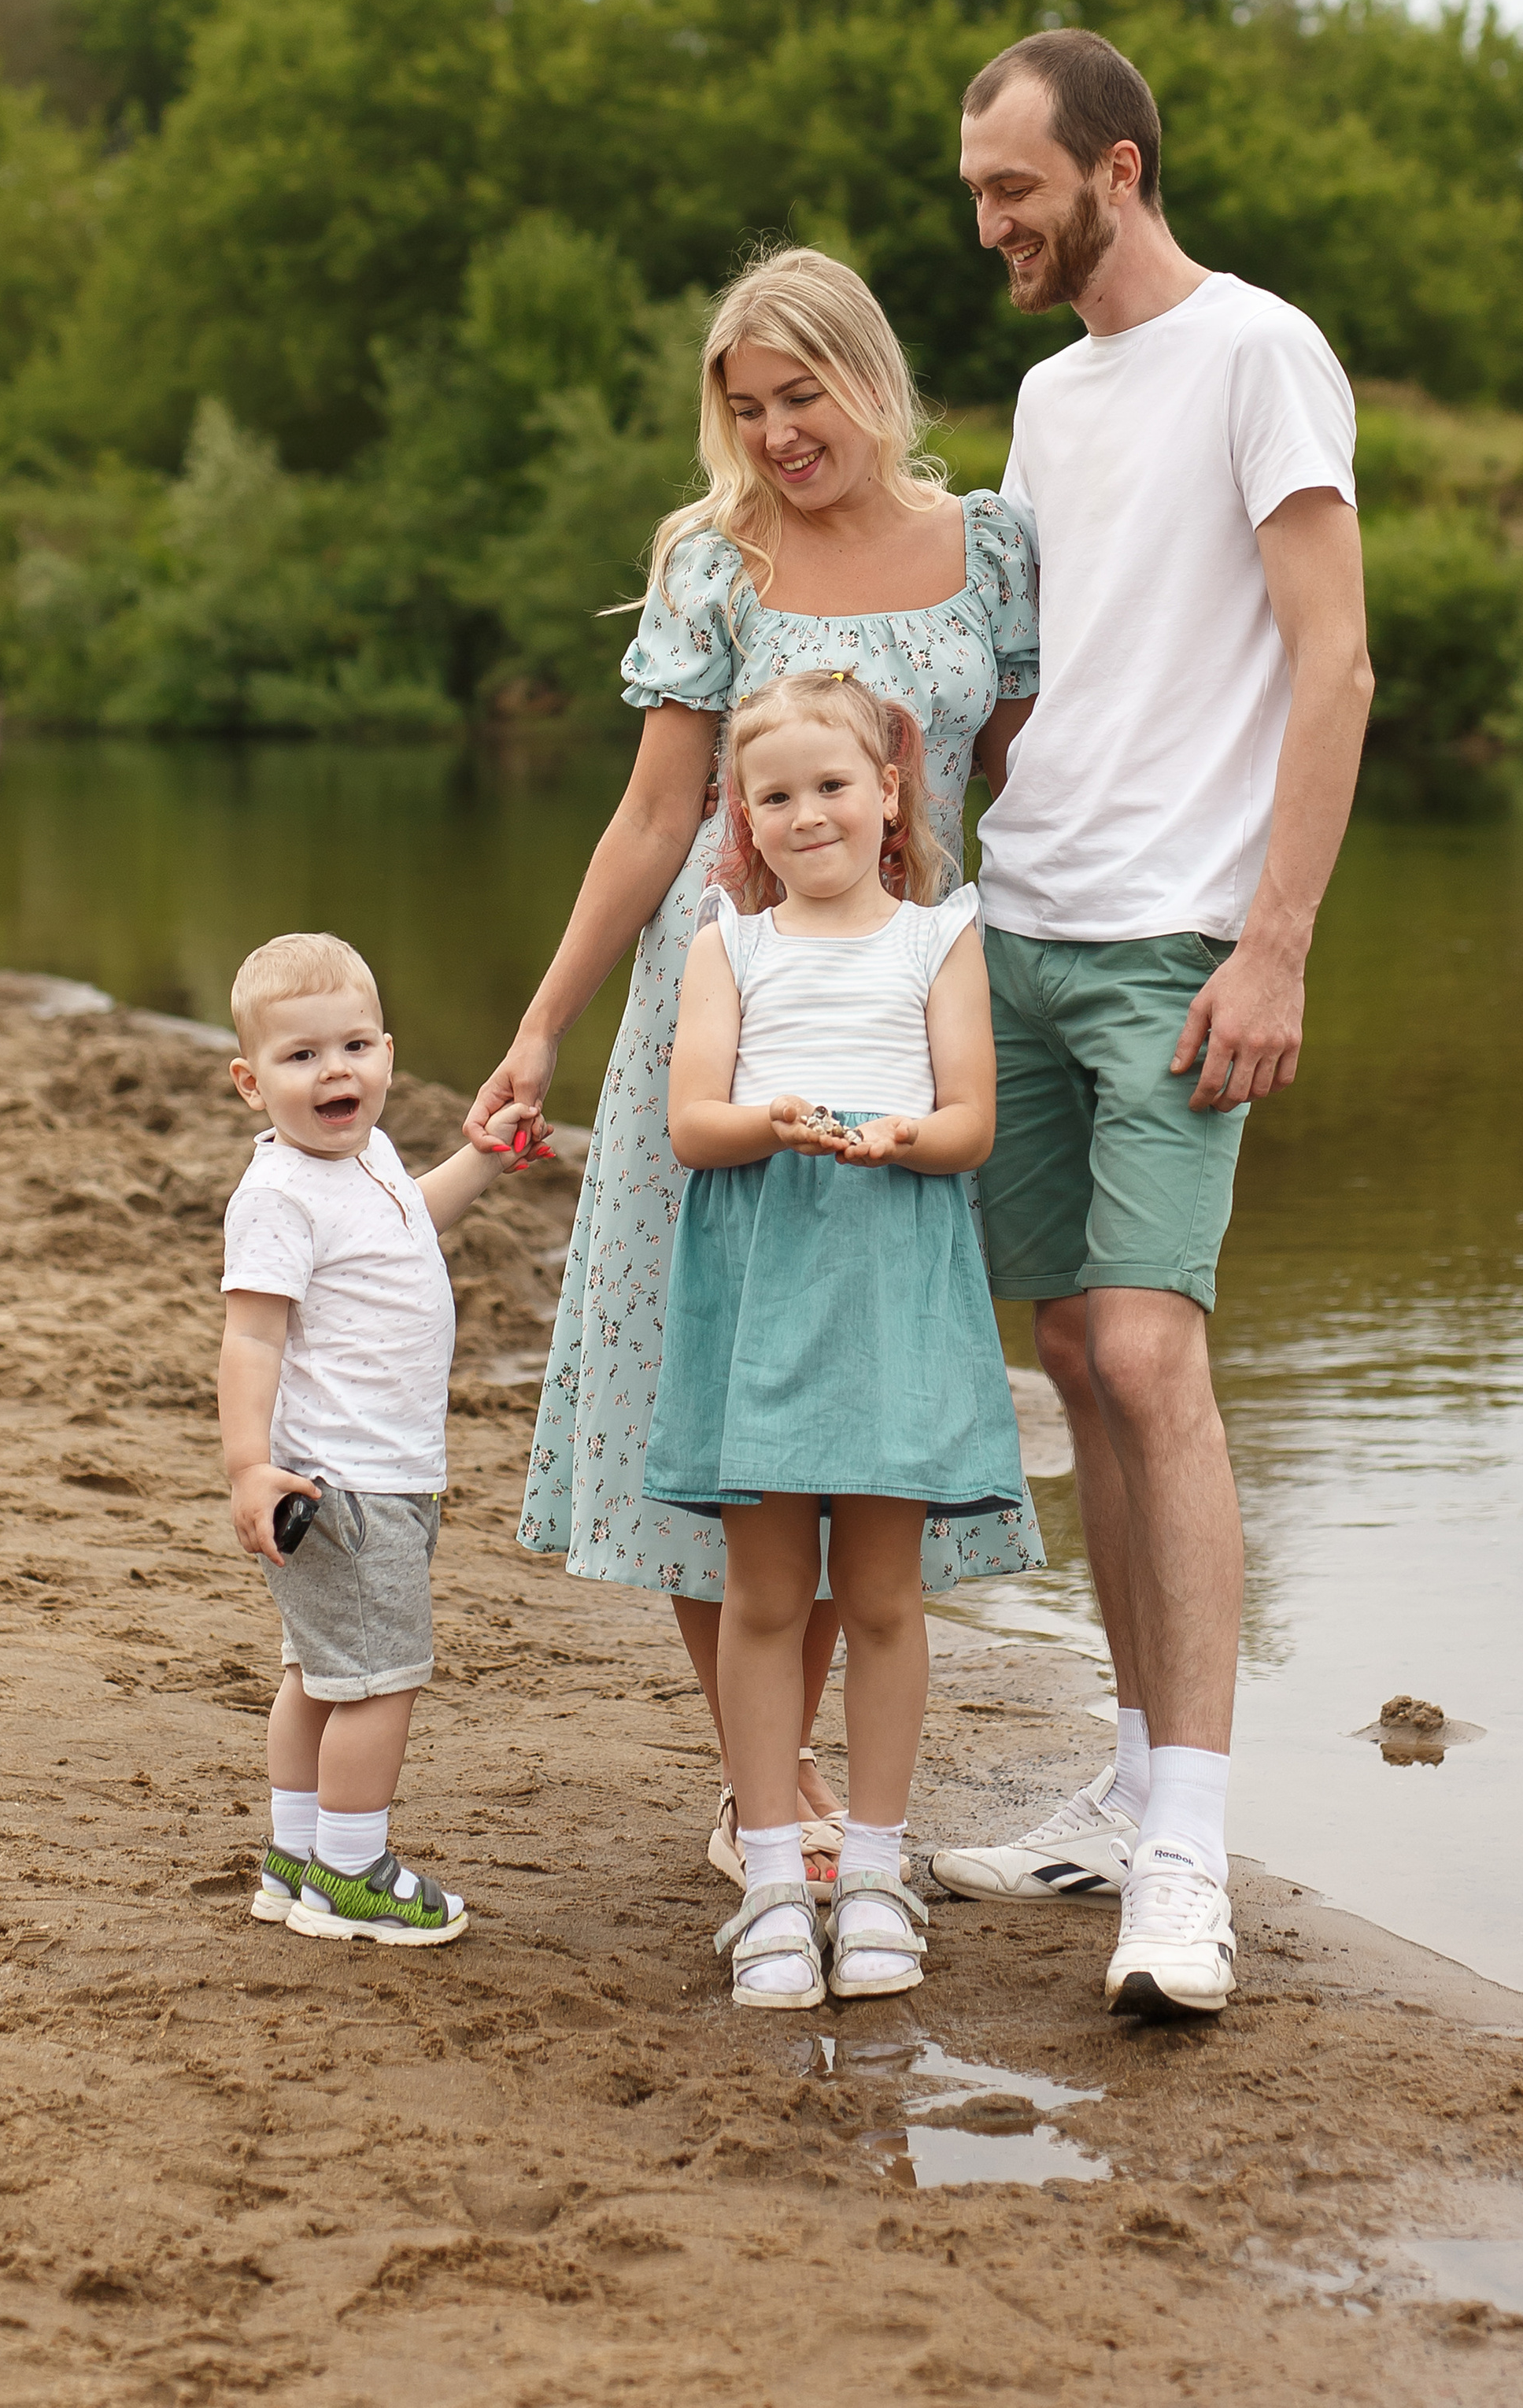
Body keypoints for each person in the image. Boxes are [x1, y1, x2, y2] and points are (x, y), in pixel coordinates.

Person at [464, 246, 1040, 1888]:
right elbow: (657, 818)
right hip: (716, 1013)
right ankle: (760, 1786)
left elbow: (1024, 783)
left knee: (864, 1407)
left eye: (801, 394)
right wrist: (540, 1025)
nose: (778, 432)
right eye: (746, 407)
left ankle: (851, 1796)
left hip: (904, 1024)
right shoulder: (714, 565)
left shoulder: (983, 550)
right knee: (704, 1390)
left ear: (870, 374)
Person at [930, 29, 1374, 2025]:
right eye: (972, 193)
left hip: (1171, 937)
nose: (991, 223)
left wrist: (1272, 942)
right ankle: (1121, 1780)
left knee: (1145, 1340)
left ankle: (1186, 1852)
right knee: (1070, 1363)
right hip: (1017, 923)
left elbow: (1332, 658)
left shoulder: (1256, 350)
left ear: (1116, 165)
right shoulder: (1043, 391)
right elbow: (1031, 664)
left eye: (1014, 187)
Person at [644, 671, 1033, 2007]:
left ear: (888, 798)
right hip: (763, 1280)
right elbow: (695, 1120)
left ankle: (872, 1867)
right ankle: (767, 1872)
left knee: (879, 1596)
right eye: (774, 795)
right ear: (742, 823)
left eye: (831, 787)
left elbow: (971, 1115)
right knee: (764, 1596)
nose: (806, 813)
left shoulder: (940, 936)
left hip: (889, 1275)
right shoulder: (727, 946)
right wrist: (778, 1119)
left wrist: (908, 1136)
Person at [218, 929, 535, 1947]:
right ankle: (352, 1873)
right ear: (249, 1081)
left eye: (352, 1046)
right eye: (299, 1056)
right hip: (343, 1481)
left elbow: (411, 1218)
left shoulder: (369, 1158)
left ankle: (295, 1854)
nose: (333, 1072)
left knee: (319, 1671)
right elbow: (251, 1337)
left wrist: (480, 1162)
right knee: (379, 1680)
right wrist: (247, 1466)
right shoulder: (278, 1194)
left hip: (382, 1476)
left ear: (388, 1055)